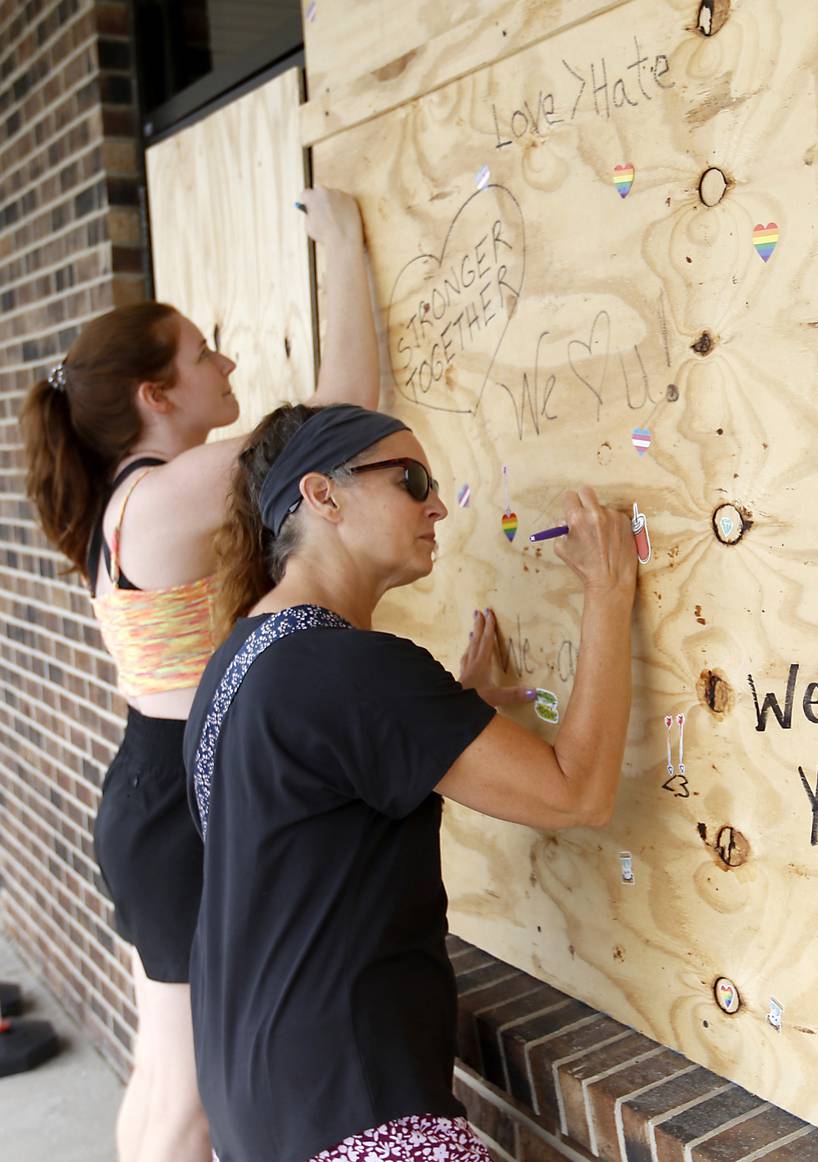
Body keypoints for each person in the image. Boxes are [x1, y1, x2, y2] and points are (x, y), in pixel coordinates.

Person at [18, 189, 381, 1162]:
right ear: (156, 394)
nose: (226, 363)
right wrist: (344, 248)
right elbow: (345, 426)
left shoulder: (128, 501)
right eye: (202, 354)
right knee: (187, 1101)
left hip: (156, 791)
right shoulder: (170, 492)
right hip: (175, 803)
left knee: (170, 1079)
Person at [185, 403, 636, 1161]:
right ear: (322, 495)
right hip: (362, 1122)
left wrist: (440, 726)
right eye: (410, 479)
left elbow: (318, 827)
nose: (435, 503)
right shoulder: (352, 671)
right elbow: (577, 792)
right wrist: (608, 591)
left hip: (258, 1117)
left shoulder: (239, 660)